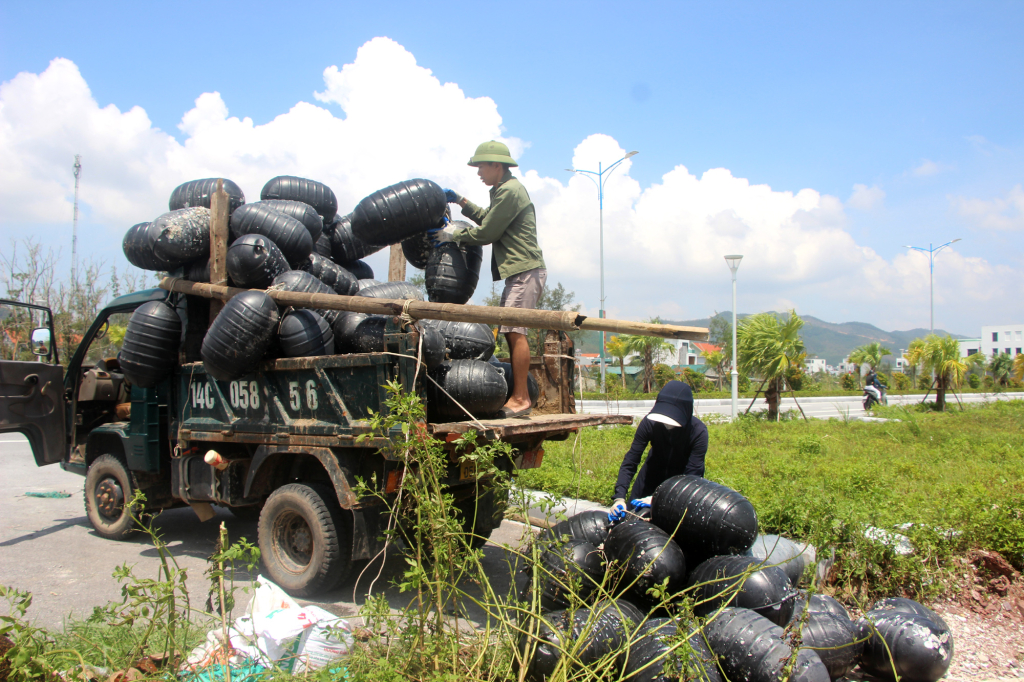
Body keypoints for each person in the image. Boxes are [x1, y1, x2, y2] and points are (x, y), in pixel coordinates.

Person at [431, 140, 546, 418]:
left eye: (481, 166)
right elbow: (488, 218)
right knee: (510, 331)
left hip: (524, 272)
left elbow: (487, 233)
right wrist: (462, 201)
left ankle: (520, 398)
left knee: (516, 332)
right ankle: (519, 396)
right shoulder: (502, 190)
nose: (478, 172)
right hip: (517, 273)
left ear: (497, 165)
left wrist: (453, 235)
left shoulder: (510, 191)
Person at [608, 381, 708, 521]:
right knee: (630, 525)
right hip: (649, 480)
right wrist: (619, 498)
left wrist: (660, 499)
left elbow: (692, 478)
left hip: (679, 489)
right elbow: (631, 460)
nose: (667, 424)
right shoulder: (650, 423)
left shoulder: (698, 433)